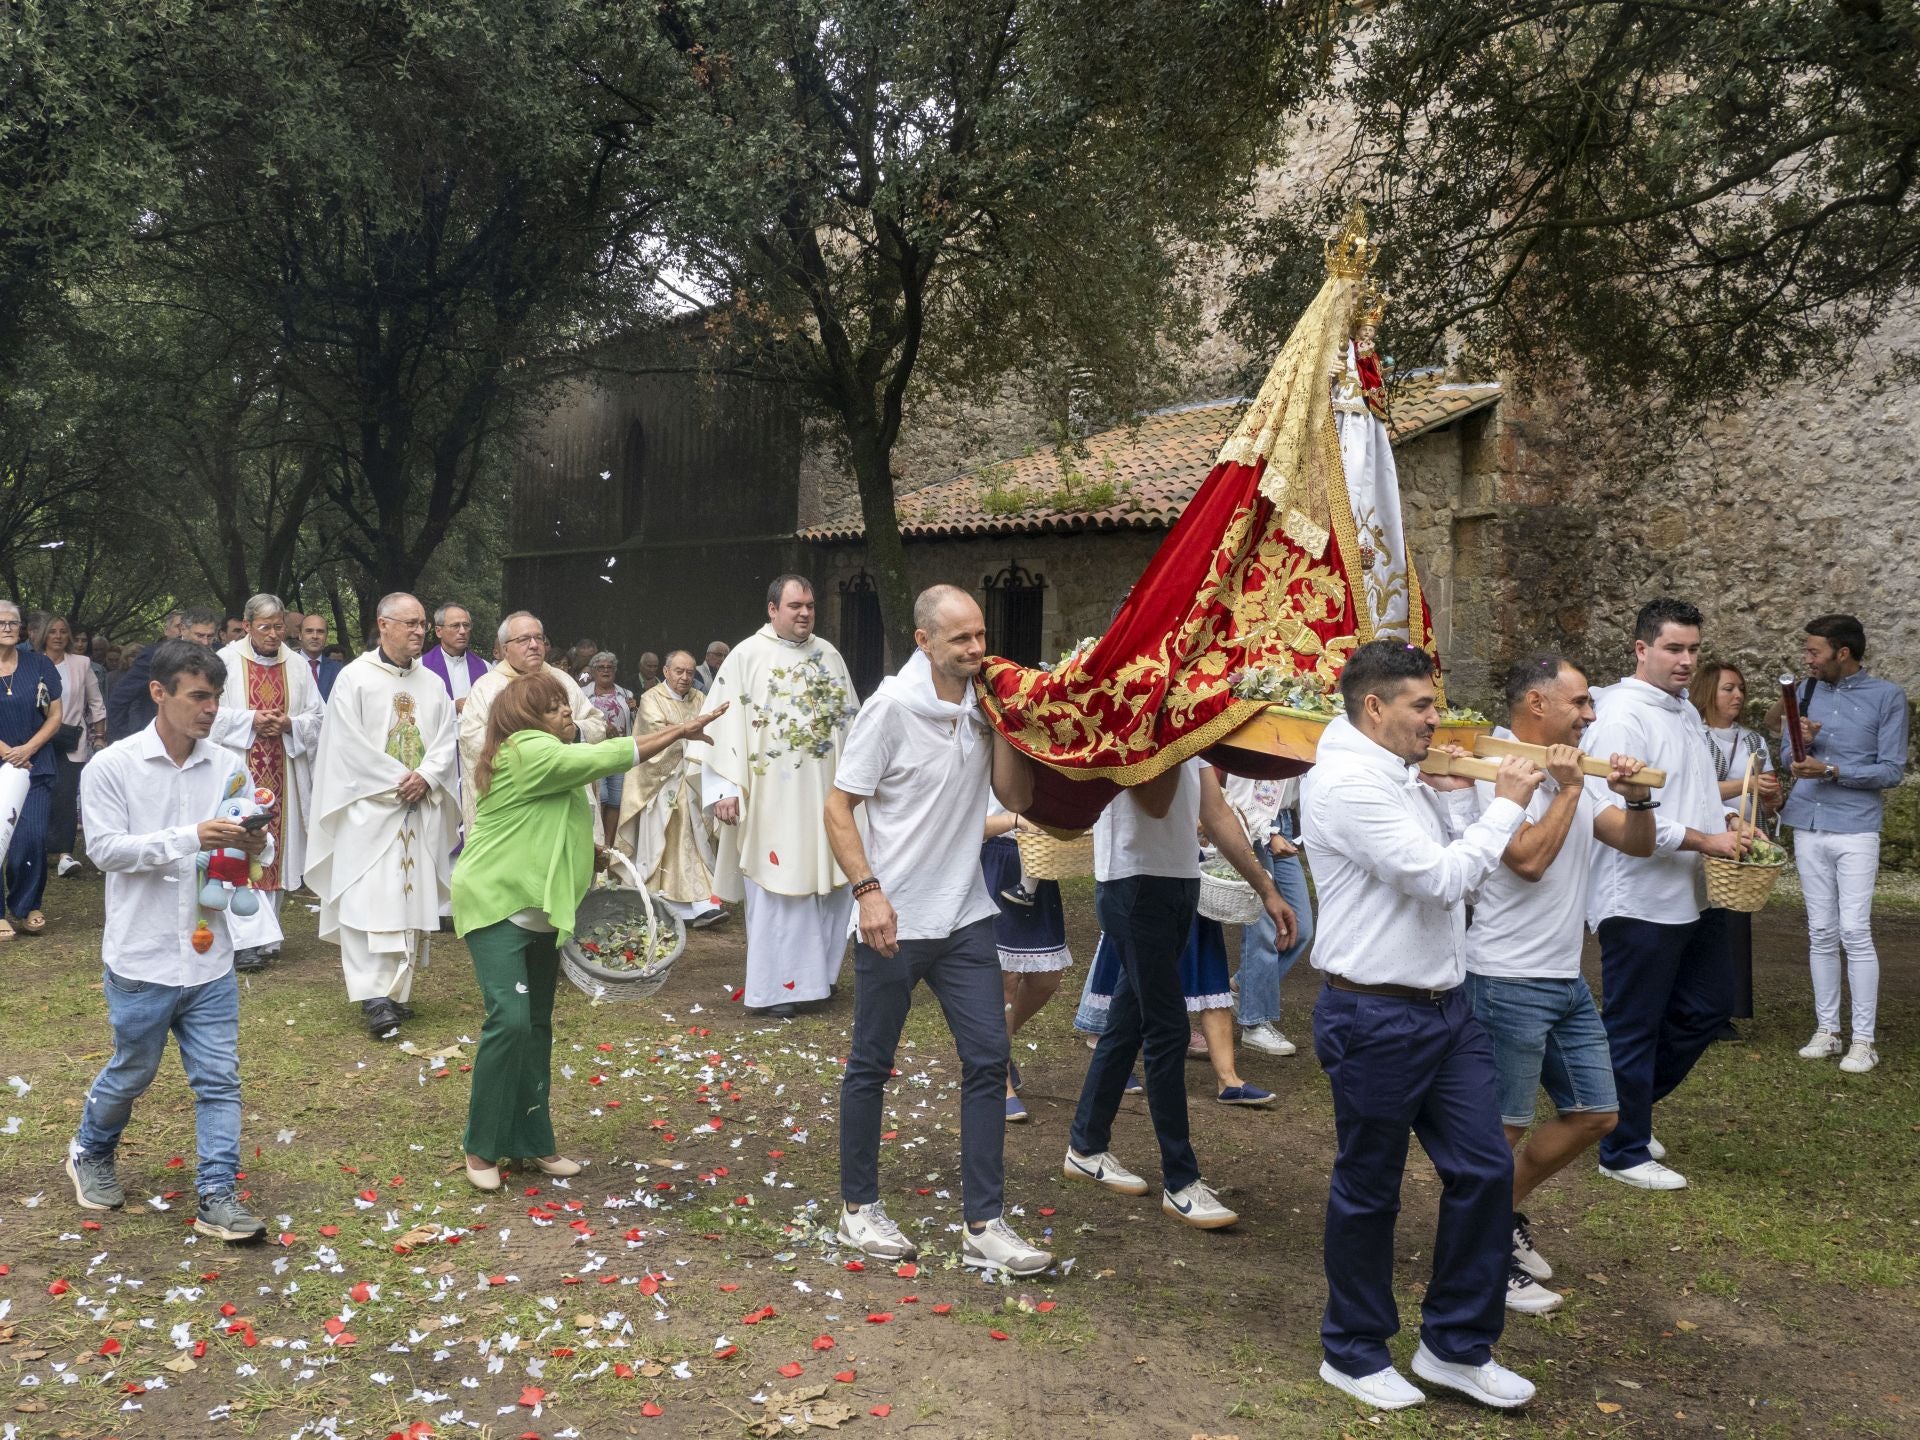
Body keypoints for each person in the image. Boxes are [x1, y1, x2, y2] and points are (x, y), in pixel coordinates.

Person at [1302, 639, 1543, 1412]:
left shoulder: (1397, 773)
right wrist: (1505, 800)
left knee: (1485, 1171)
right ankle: (1353, 1350)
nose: (1436, 720)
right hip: (1372, 1014)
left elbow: (1445, 851)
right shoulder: (1346, 783)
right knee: (1370, 1189)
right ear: (1375, 708)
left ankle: (1456, 1348)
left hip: (1445, 1007)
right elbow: (1441, 879)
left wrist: (1453, 795)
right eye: (1422, 707)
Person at [825, 584, 1053, 1276]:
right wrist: (869, 894)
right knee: (872, 1063)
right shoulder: (889, 710)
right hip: (894, 919)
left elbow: (1016, 799)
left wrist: (1006, 724)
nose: (978, 650)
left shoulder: (985, 707)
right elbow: (839, 809)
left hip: (965, 918)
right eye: (962, 639)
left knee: (989, 1060)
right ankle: (857, 1211)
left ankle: (983, 1223)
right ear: (924, 641)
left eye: (981, 636)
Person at [453, 670, 726, 1190]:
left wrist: (593, 854)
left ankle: (534, 1144)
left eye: (565, 705)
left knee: (535, 1026)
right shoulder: (526, 750)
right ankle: (481, 1148)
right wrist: (677, 731)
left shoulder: (544, 759)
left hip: (538, 910)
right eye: (556, 708)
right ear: (528, 717)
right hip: (496, 905)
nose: (567, 715)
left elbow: (557, 820)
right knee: (509, 1023)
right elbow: (602, 758)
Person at [1467, 654, 1656, 1317]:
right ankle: (1478, 1258)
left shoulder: (1575, 771)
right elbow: (1527, 861)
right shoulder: (1493, 766)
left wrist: (1637, 798)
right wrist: (1569, 790)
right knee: (1503, 1131)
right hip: (1505, 977)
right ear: (1537, 705)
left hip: (1562, 976)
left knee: (1598, 1113)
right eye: (1579, 703)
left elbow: (1634, 842)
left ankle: (1496, 1218)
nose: (1590, 714)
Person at [64, 639, 269, 1241]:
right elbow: (104, 850)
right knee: (134, 1069)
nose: (210, 710)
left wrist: (257, 845)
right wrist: (191, 836)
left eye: (217, 697)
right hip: (142, 954)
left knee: (219, 1079)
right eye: (198, 697)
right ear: (160, 693)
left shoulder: (228, 763)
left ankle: (217, 1195)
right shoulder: (114, 766)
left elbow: (254, 843)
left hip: (210, 957)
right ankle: (91, 1151)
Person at [1062, 751, 1294, 1231]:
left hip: (1179, 885)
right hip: (1132, 887)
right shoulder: (1135, 722)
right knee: (1167, 1030)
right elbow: (1155, 802)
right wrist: (1176, 736)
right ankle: (1181, 1182)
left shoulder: (1190, 732)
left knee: (1126, 1025)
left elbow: (1216, 813)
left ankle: (1086, 1146)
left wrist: (1267, 890)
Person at [1582, 598, 1750, 1191]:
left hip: (1693, 891)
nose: (1686, 661)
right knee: (1634, 1024)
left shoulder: (1681, 710)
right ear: (1641, 649)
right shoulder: (1622, 714)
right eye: (1673, 649)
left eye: (1693, 650)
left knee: (1707, 1006)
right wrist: (1705, 838)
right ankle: (1621, 1149)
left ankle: (1616, 1112)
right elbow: (1606, 810)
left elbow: (1692, 793)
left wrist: (1729, 824)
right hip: (1638, 897)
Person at [690, 576, 859, 1018]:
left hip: (825, 795)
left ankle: (818, 980)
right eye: (795, 605)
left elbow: (852, 723)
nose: (804, 613)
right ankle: (775, 990)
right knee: (777, 888)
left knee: (832, 885)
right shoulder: (746, 657)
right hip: (770, 801)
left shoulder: (830, 656)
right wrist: (724, 790)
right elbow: (719, 725)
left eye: (810, 605)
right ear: (772, 609)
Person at [306, 594, 460, 1037]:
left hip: (417, 810)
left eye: (422, 625)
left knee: (407, 897)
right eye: (409, 624)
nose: (418, 632)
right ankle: (372, 995)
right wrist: (400, 779)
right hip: (370, 809)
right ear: (383, 625)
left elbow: (446, 740)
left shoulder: (432, 684)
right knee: (368, 899)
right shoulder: (354, 679)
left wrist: (427, 777)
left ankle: (396, 991)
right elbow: (345, 745)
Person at [1777, 615, 1908, 1075]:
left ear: (1843, 653)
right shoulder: (1805, 692)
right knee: (1819, 931)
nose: (1807, 659)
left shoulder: (1888, 697)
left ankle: (1864, 1040)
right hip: (1809, 822)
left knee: (1854, 931)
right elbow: (1786, 759)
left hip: (1856, 826)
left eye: (1814, 652)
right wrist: (1800, 747)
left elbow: (1892, 770)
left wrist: (1833, 771)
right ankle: (1828, 1031)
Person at [211, 594, 326, 970]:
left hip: (283, 774)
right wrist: (251, 721)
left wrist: (289, 724)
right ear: (246, 627)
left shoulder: (295, 665)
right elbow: (206, 712)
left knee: (276, 851)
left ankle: (267, 937)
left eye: (279, 627)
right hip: (238, 771)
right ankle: (245, 941)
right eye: (265, 628)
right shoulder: (225, 662)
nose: (274, 634)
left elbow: (319, 717)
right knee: (239, 845)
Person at [1688, 660, 1779, 1037]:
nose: (1738, 695)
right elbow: (1699, 787)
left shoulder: (1755, 741)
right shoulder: (1694, 734)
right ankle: (1698, 1005)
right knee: (1702, 921)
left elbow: (1769, 796)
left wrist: (1770, 795)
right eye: (1728, 689)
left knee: (1735, 926)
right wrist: (1748, 784)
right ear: (1709, 692)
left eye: (1740, 688)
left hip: (1746, 840)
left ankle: (1728, 1007)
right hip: (1707, 838)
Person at [458, 614, 606, 833]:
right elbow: (471, 740)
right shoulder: (487, 687)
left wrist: (572, 732)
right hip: (514, 802)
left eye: (539, 638)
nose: (534, 645)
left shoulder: (563, 681)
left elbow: (597, 725)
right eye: (524, 640)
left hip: (565, 795)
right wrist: (525, 745)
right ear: (505, 648)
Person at [615, 649, 724, 926]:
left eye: (689, 672)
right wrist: (686, 733)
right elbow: (653, 737)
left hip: (694, 782)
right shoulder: (652, 699)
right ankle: (657, 901)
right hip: (660, 786)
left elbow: (712, 733)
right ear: (666, 672)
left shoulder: (701, 699)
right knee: (660, 842)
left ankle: (703, 903)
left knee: (698, 841)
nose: (685, 677)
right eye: (679, 671)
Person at [980, 804, 1072, 1122]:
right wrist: (1012, 820)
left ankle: (991, 1050)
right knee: (1005, 980)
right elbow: (962, 823)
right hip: (996, 856)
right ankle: (1000, 1079)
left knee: (1048, 978)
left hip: (1039, 857)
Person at [1223, 773, 1315, 1056]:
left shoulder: (1308, 735)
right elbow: (1237, 797)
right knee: (1262, 928)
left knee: (1299, 927)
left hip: (1286, 826)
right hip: (1252, 830)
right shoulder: (1257, 734)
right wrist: (1269, 833)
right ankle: (1255, 1023)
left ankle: (1240, 988)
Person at [0, 600, 64, 939]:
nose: (8, 627)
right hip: (3, 760)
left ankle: (27, 905)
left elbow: (55, 715)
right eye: (1, 623)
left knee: (32, 837)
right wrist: (7, 752)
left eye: (14, 622)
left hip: (35, 764)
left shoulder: (38, 664)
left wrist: (28, 749)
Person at [42, 618, 107, 878]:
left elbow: (96, 702)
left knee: (65, 794)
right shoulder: (31, 662)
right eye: (52, 632)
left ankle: (64, 855)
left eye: (63, 632)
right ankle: (34, 847)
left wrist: (99, 737)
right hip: (35, 740)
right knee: (37, 792)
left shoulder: (81, 664)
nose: (58, 636)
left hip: (71, 738)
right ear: (43, 635)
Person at [106, 609, 186, 741]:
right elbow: (121, 697)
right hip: (153, 735)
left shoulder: (204, 657)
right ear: (166, 630)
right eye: (178, 626)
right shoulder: (152, 655)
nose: (182, 632)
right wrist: (124, 736)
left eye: (186, 627)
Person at [581, 652, 636, 843]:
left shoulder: (626, 694)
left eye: (610, 667)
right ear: (593, 671)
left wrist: (635, 709)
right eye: (601, 667)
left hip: (620, 753)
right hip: (595, 753)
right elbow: (579, 720)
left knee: (615, 800)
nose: (606, 671)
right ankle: (597, 843)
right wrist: (603, 727)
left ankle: (610, 847)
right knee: (600, 798)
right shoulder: (583, 694)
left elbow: (637, 725)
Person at [422, 603, 488, 713]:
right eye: (455, 626)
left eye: (466, 625)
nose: (462, 631)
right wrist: (453, 707)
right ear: (439, 631)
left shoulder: (485, 668)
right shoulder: (421, 667)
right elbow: (418, 707)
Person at [295, 613, 344, 702]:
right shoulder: (287, 665)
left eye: (320, 631)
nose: (315, 636)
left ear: (326, 636)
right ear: (300, 635)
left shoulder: (338, 670)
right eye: (309, 631)